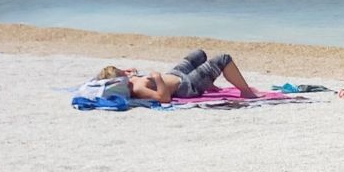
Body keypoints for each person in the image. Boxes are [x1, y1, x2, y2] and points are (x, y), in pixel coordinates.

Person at [101, 50, 258, 104]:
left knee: (199, 54)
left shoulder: (132, 81)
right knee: (223, 59)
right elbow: (164, 98)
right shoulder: (138, 89)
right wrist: (157, 78)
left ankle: (208, 83)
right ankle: (246, 92)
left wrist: (133, 74)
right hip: (186, 86)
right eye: (122, 73)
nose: (125, 72)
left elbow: (132, 76)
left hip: (175, 73)